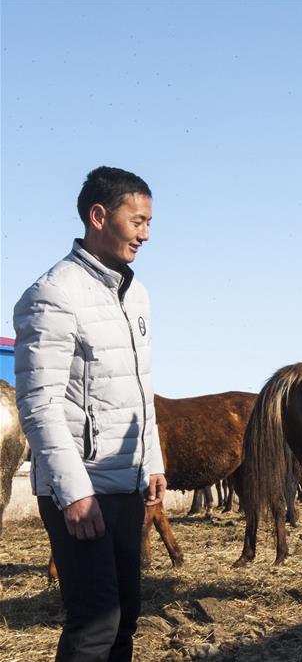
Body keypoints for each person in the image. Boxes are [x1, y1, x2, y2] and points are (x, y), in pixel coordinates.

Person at [14, 166, 166, 661]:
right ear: (99, 216)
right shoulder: (53, 293)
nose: (145, 233)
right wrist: (73, 490)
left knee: (125, 619)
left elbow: (140, 388)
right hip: (80, 489)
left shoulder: (135, 294)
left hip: (125, 484)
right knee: (94, 625)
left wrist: (153, 460)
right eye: (137, 220)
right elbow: (38, 404)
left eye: (148, 222)